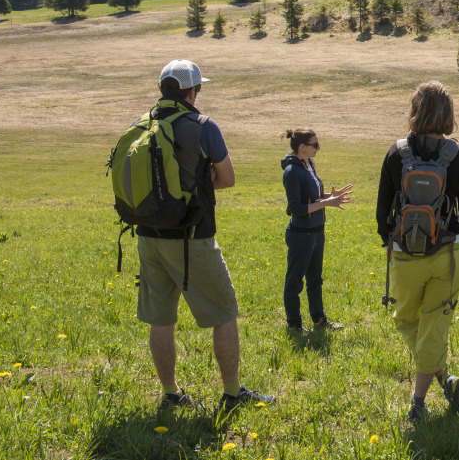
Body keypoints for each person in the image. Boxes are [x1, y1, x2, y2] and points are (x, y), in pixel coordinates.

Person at [135, 60, 274, 412]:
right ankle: (231, 393)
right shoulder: (202, 126)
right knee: (224, 312)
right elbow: (227, 179)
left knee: (160, 317)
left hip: (148, 235)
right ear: (192, 91)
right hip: (191, 236)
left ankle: (170, 393)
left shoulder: (143, 123)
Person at [376, 81, 459, 422]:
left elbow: (381, 212)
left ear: (414, 110)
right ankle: (445, 381)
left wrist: (389, 243)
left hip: (405, 254)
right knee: (434, 325)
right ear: (448, 115)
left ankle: (417, 404)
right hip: (450, 255)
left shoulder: (396, 152)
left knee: (407, 320)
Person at [281, 128, 353, 333]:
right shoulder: (292, 172)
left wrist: (329, 196)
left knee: (315, 279)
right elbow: (296, 209)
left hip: (316, 232)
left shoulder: (308, 165)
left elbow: (312, 198)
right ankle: (294, 325)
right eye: (316, 145)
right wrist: (327, 203)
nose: (318, 149)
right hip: (301, 235)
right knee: (295, 281)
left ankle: (319, 319)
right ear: (302, 147)